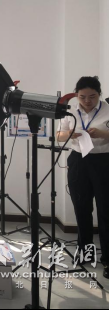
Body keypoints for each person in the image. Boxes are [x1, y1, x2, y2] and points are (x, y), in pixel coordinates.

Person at [58, 76, 109, 279]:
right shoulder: (70, 111)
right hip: (78, 161)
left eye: (92, 96)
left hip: (103, 161)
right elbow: (59, 135)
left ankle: (107, 258)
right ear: (76, 95)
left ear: (99, 94)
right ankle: (85, 252)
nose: (87, 101)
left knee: (106, 210)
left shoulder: (108, 109)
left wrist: (103, 134)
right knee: (81, 208)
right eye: (82, 97)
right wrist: (70, 134)